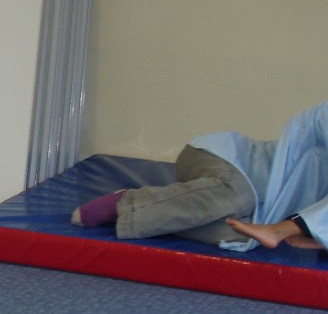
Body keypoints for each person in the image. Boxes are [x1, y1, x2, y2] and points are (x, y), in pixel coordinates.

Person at [70, 101, 328, 250]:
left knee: (242, 238)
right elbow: (313, 122)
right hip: (220, 159)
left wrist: (318, 240)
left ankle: (157, 209)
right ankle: (127, 203)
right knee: (239, 197)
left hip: (259, 214)